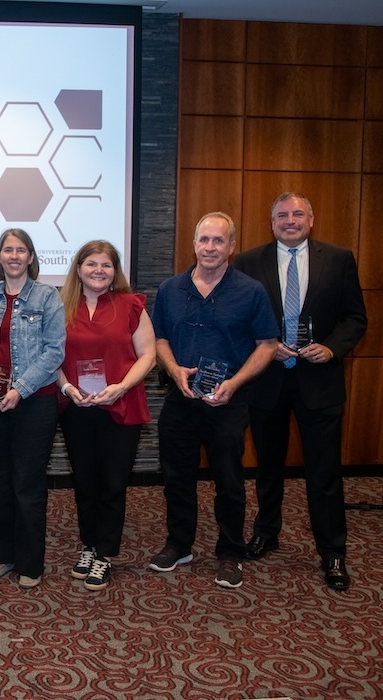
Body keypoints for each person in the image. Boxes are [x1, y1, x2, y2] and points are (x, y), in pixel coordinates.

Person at [234, 193, 367, 591]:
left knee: (324, 472)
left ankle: (332, 551)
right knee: (268, 467)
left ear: (311, 219)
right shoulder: (248, 262)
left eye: (296, 214)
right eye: (281, 216)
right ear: (271, 222)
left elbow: (355, 317)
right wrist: (264, 346)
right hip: (267, 380)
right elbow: (238, 318)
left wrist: (331, 348)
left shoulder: (339, 258)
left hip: (319, 381)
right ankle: (266, 532)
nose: (289, 221)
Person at [149, 212, 278, 589]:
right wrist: (173, 369)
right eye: (203, 240)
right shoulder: (171, 289)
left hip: (228, 403)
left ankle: (230, 552)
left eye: (218, 241)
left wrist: (235, 383)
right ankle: (179, 544)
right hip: (181, 400)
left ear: (231, 246)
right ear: (194, 244)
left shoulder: (251, 291)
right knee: (176, 478)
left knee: (230, 481)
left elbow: (268, 345)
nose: (210, 247)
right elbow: (158, 340)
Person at [0, 228, 65, 589]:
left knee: (27, 483)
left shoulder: (47, 296)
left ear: (30, 257)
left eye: (20, 250)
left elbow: (55, 351)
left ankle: (29, 562)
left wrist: (20, 390)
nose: (13, 256)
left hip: (33, 404)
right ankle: (0, 555)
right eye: (7, 250)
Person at [56, 240, 155, 591]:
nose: (99, 270)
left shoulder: (131, 305)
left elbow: (148, 355)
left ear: (116, 271)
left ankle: (105, 553)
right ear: (79, 268)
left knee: (113, 483)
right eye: (91, 264)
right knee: (85, 481)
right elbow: (50, 355)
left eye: (106, 265)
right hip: (77, 407)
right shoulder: (61, 304)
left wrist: (120, 387)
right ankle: (88, 545)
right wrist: (67, 388)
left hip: (120, 404)